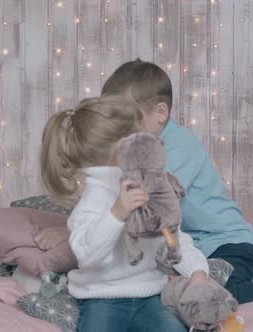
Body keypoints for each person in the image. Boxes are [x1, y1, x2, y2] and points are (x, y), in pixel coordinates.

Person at [100, 59, 253, 329]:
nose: (118, 129)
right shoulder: (142, 148)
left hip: (228, 244)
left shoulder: (176, 147)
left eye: (125, 120)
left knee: (220, 296)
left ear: (160, 112)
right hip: (194, 247)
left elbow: (150, 203)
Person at [39, 95, 209, 332]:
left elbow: (173, 236)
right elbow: (88, 256)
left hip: (151, 296)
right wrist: (117, 213)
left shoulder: (151, 186)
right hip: (101, 300)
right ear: (124, 148)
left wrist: (197, 272)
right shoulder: (91, 200)